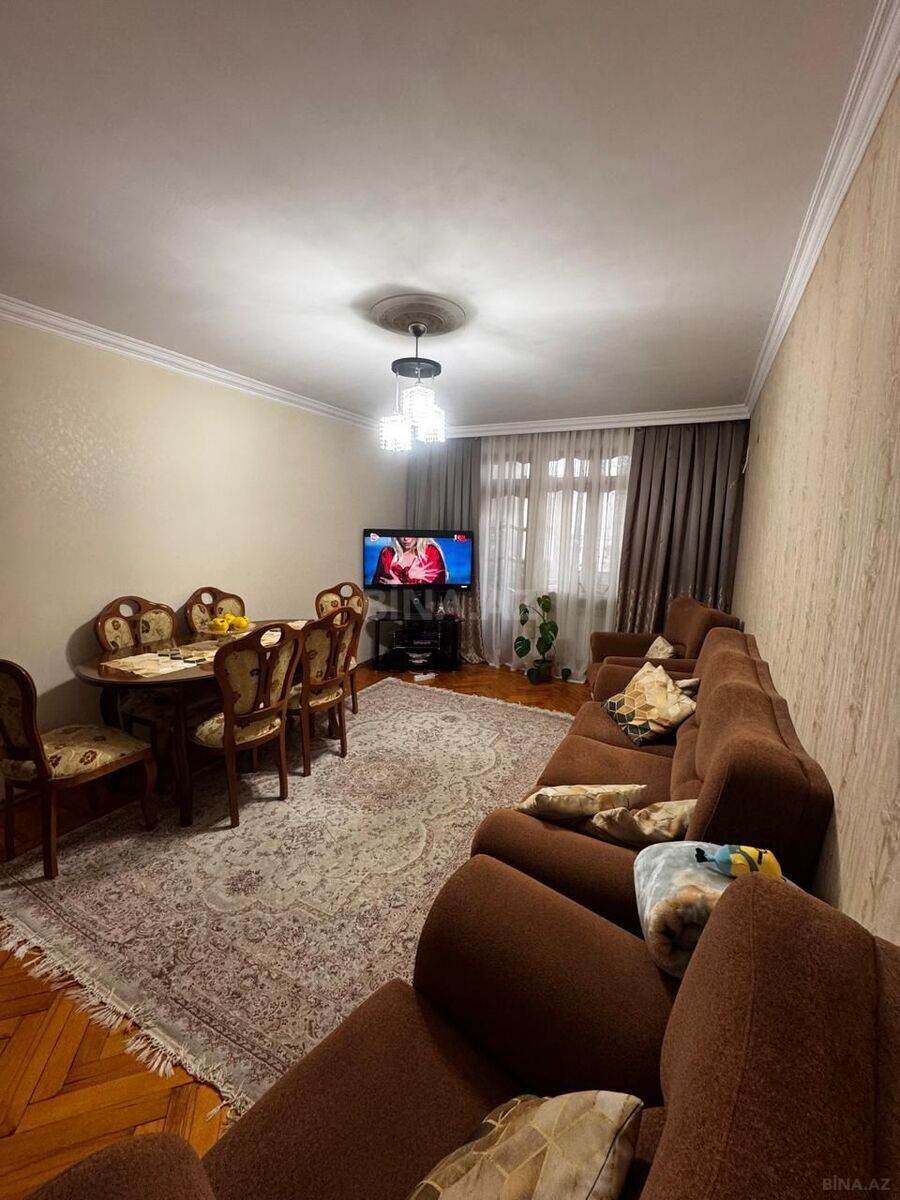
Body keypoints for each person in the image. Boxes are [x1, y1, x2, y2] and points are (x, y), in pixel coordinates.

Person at [372, 536, 448, 586]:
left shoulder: (431, 552)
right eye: (401, 534)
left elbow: (438, 587)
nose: (406, 539)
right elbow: (376, 585)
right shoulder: (387, 554)